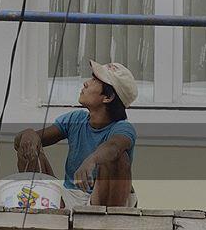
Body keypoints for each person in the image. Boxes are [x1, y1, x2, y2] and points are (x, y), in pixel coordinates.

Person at [13, 61, 138, 208]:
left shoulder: (123, 127)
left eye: (94, 80)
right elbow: (21, 141)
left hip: (103, 201)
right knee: (29, 146)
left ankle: (110, 218)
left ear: (108, 97)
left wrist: (92, 160)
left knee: (118, 158)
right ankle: (43, 211)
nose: (86, 83)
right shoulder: (76, 119)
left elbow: (114, 146)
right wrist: (28, 134)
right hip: (69, 198)